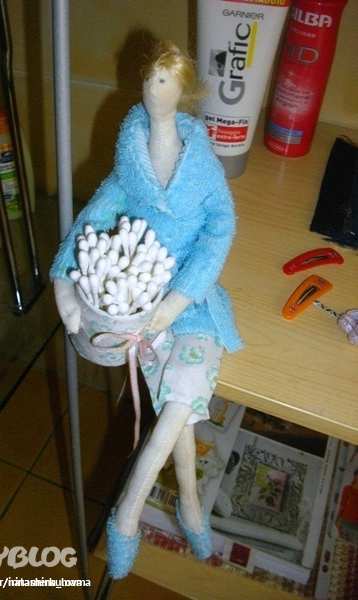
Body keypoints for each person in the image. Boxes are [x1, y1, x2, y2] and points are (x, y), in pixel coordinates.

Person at [50, 41, 243, 578]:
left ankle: (128, 513)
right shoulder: (129, 165)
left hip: (190, 302)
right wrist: (65, 281)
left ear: (182, 91)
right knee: (175, 401)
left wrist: (181, 296)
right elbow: (89, 223)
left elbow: (220, 231)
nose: (154, 91)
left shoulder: (204, 171)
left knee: (181, 396)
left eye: (165, 82)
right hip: (135, 303)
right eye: (150, 80)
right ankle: (190, 501)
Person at [335, 467, 358, 545]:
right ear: (355, 476)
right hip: (344, 524)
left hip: (356, 528)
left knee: (353, 551)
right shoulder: (348, 489)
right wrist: (336, 521)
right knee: (341, 548)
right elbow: (342, 506)